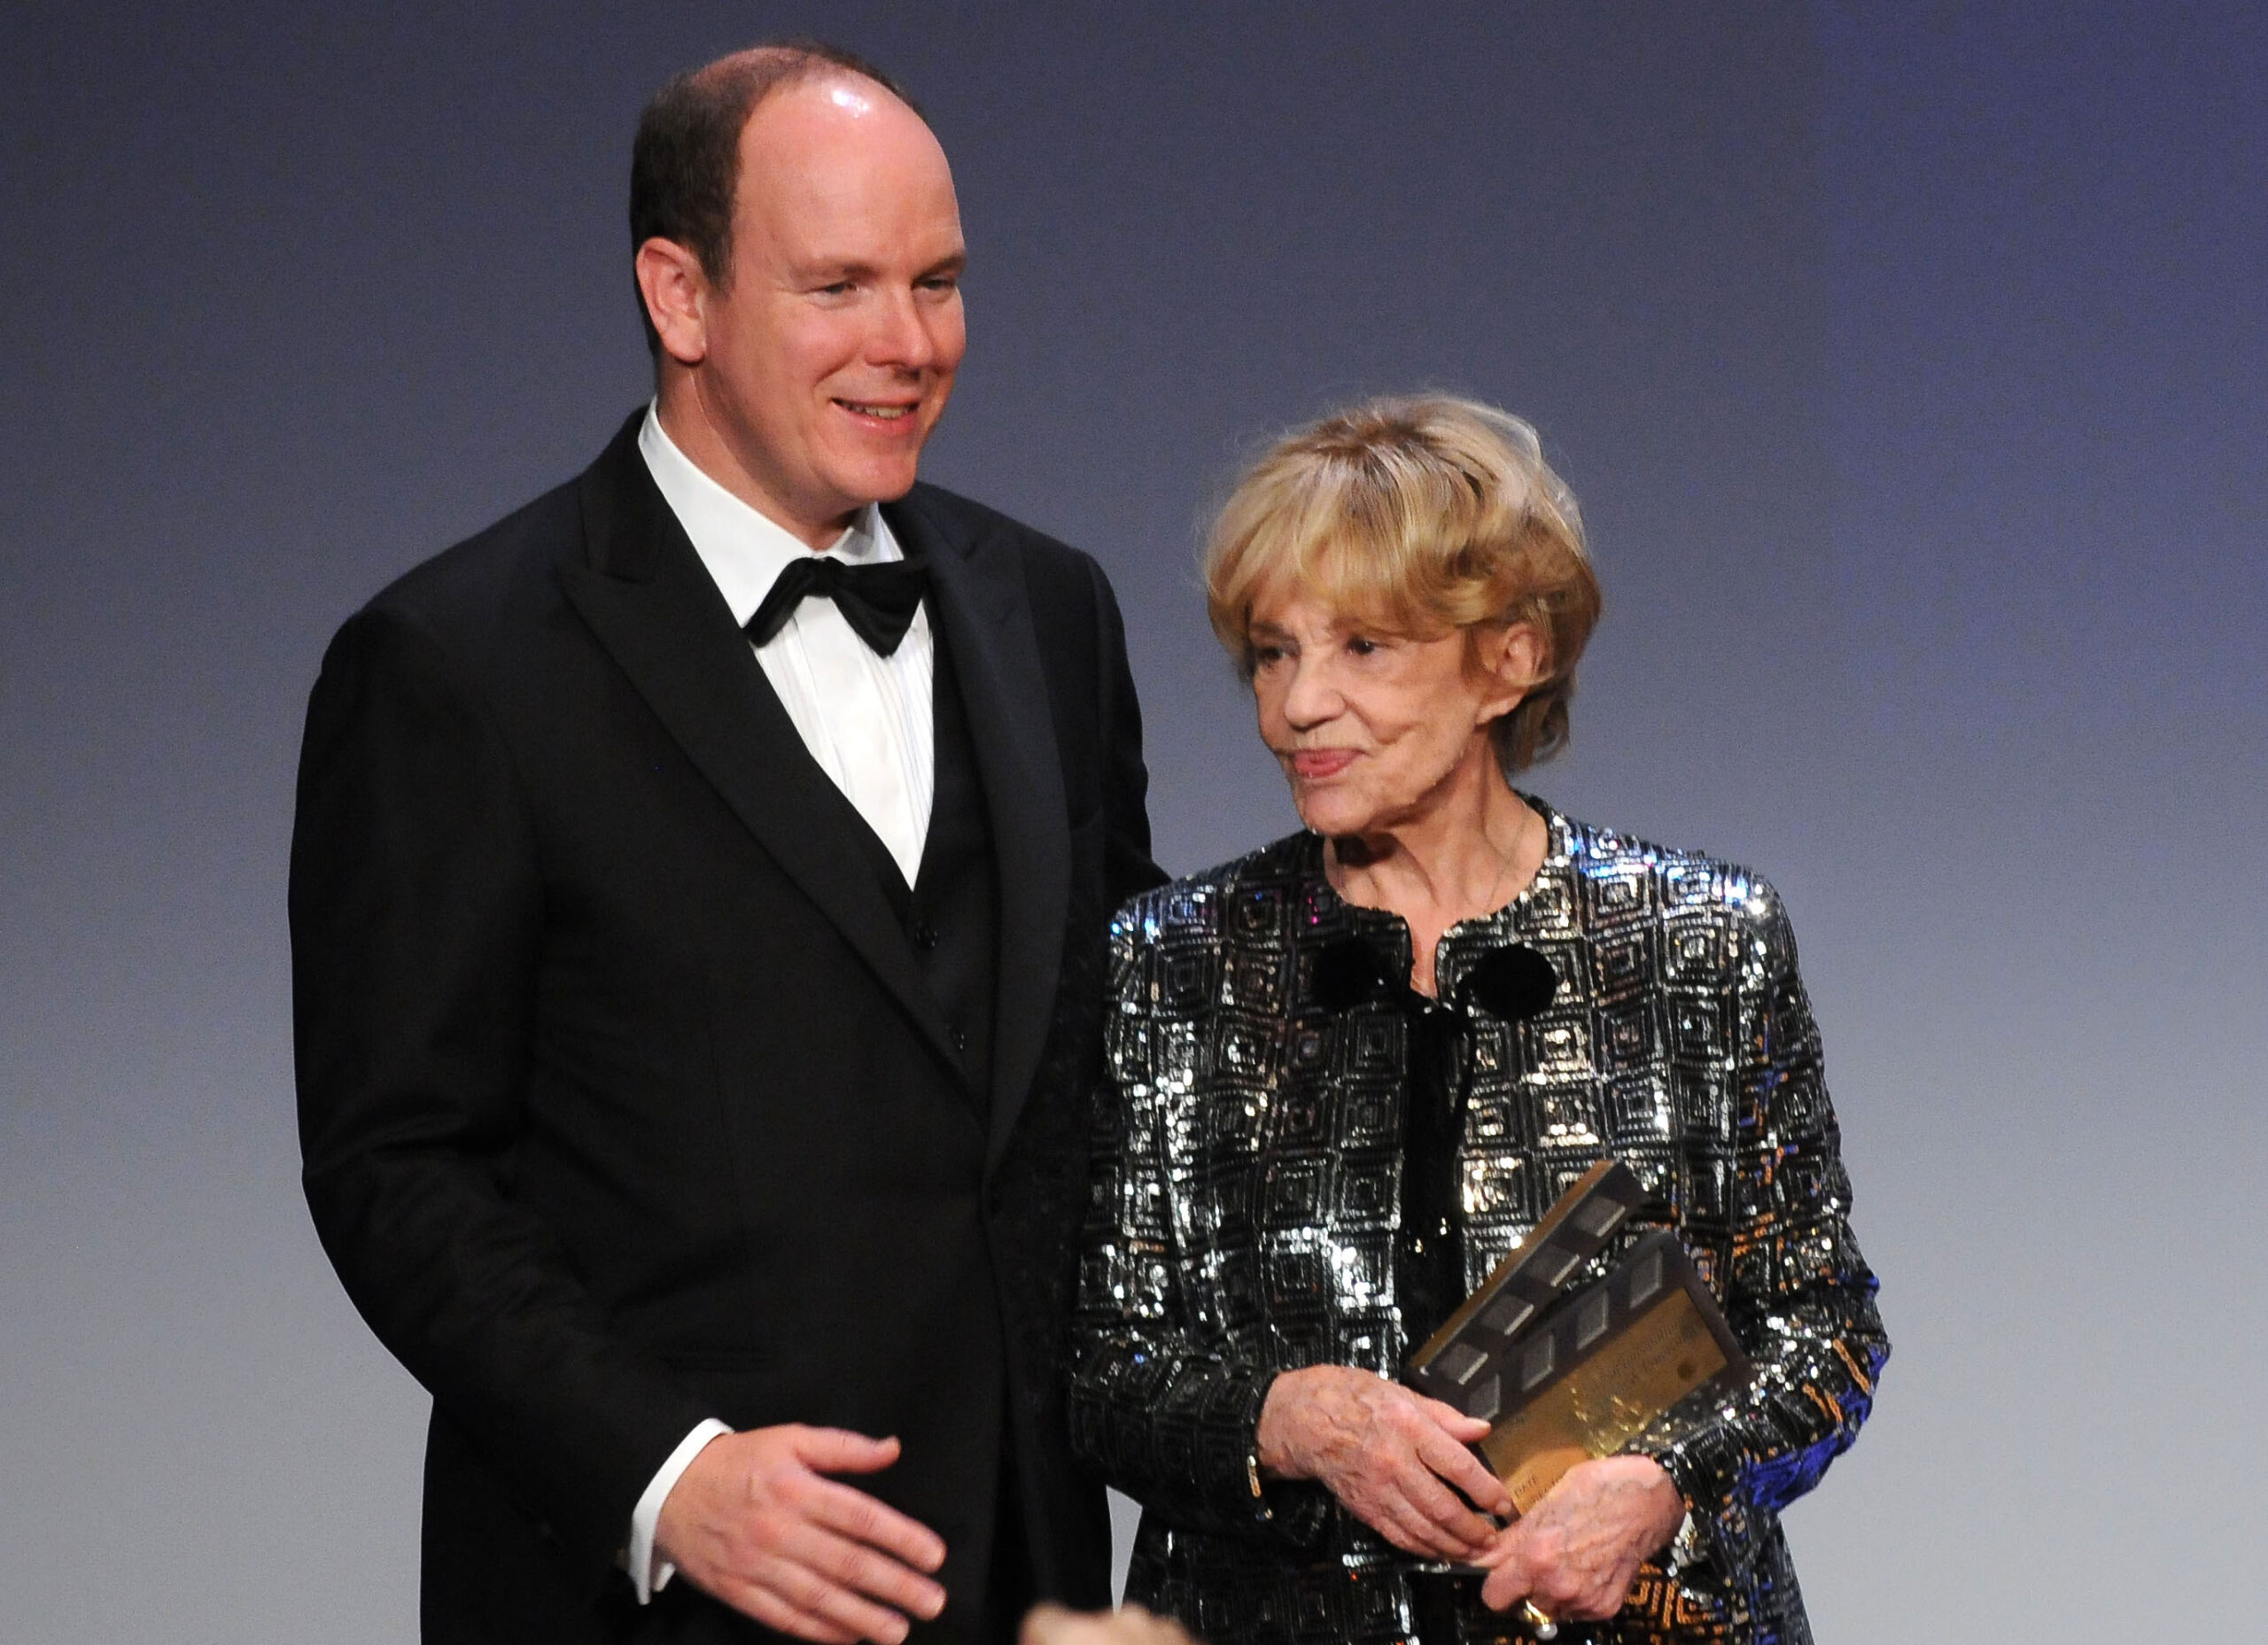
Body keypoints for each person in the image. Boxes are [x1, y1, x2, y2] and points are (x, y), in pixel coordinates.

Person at [291, 42, 1161, 1645]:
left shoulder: (1051, 608)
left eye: (939, 282)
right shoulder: (455, 663)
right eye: (840, 286)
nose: (911, 344)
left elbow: (1129, 1026)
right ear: (679, 296)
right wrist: (666, 1474)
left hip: (1021, 1571)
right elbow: (396, 1166)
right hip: (665, 1596)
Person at [1068, 396, 1886, 1645]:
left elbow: (1826, 1328)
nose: (1296, 706)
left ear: (1512, 658)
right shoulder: (1174, 962)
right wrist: (1284, 1420)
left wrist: (1666, 1484)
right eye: (1274, 653)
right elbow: (1096, 1364)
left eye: (1363, 647)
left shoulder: (1700, 943)